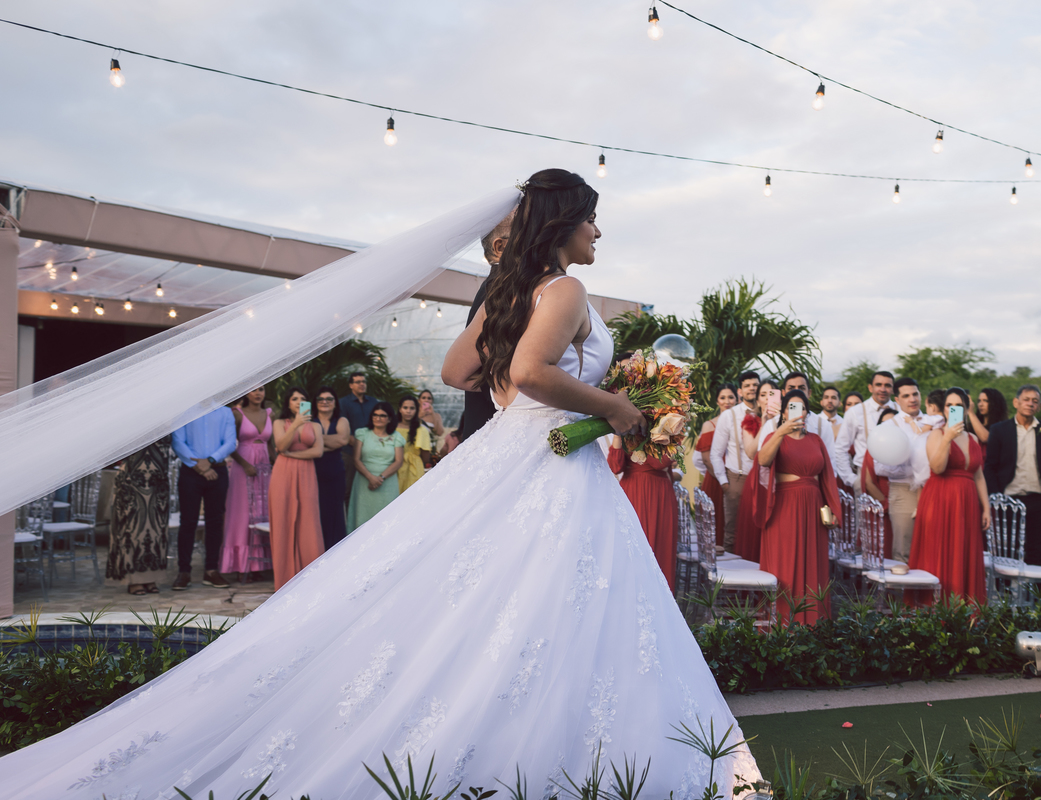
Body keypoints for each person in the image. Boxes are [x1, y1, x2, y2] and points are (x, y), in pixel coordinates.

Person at [0, 169, 757, 800]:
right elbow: (529, 372)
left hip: (516, 456)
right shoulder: (561, 291)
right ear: (564, 225)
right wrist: (616, 406)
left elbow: (463, 371)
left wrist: (541, 377)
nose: (599, 234)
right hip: (554, 464)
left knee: (481, 602)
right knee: (555, 603)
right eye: (592, 221)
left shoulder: (507, 290)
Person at [755, 389, 841, 624]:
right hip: (784, 507)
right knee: (785, 563)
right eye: (792, 407)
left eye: (802, 407)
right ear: (783, 412)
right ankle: (782, 624)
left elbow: (828, 477)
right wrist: (781, 432)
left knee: (814, 564)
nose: (798, 411)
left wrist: (832, 507)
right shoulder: (774, 437)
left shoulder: (817, 440)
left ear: (807, 412)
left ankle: (814, 623)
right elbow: (763, 460)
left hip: (813, 508)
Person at [909, 387, 990, 605]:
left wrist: (987, 508)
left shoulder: (972, 438)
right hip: (941, 499)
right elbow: (937, 467)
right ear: (943, 409)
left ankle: (964, 612)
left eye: (959, 406)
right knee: (939, 553)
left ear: (966, 409)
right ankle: (935, 611)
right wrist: (947, 439)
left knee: (963, 554)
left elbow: (979, 475)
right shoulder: (936, 434)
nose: (953, 409)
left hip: (967, 503)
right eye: (949, 406)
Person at [983, 384, 1041, 566]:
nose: (1030, 404)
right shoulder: (1000, 430)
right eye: (1026, 400)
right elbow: (990, 466)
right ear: (1016, 402)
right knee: (1007, 548)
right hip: (1009, 499)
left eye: (1035, 401)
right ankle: (1005, 593)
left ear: (1039, 407)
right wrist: (996, 495)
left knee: (1038, 548)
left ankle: (1036, 594)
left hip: (1040, 499)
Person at [457, 210, 514, 442]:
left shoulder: (499, 286)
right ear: (500, 247)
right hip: (493, 434)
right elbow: (459, 373)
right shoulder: (502, 291)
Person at [170, 405, 238, 591]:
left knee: (215, 521)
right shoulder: (185, 410)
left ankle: (211, 570)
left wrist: (210, 461)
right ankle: (184, 572)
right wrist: (199, 465)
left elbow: (230, 442)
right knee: (188, 521)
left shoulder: (225, 412)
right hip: (191, 472)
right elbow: (177, 441)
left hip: (217, 471)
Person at [873, 378, 937, 562]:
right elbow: (880, 467)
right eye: (906, 396)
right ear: (897, 400)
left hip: (933, 490)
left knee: (931, 545)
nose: (912, 399)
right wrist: (911, 465)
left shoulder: (933, 422)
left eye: (915, 394)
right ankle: (901, 590)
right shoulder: (888, 427)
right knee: (903, 547)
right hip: (904, 490)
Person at [269, 386, 325, 588]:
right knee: (283, 520)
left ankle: (312, 578)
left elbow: (318, 452)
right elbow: (280, 445)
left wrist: (292, 456)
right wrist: (295, 425)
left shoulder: (316, 426)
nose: (298, 401)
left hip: (306, 473)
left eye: (303, 398)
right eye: (294, 398)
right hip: (282, 474)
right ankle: (284, 579)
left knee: (309, 520)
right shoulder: (278, 423)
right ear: (288, 403)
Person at [105, 437, 172, 595]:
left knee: (157, 531)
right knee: (133, 530)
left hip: (158, 481)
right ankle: (133, 579)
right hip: (132, 480)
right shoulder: (131, 416)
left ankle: (151, 578)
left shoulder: (168, 417)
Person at [609, 438, 677, 591]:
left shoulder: (669, 420)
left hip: (660, 494)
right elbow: (615, 466)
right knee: (631, 551)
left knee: (660, 552)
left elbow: (659, 462)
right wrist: (618, 435)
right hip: (633, 492)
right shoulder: (624, 426)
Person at [220, 387, 273, 580]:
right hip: (243, 466)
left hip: (265, 467)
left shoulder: (269, 414)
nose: (258, 393)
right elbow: (227, 444)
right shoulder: (237, 414)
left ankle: (260, 564)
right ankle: (241, 565)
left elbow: (272, 445)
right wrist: (244, 464)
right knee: (242, 512)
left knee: (262, 511)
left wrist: (276, 467)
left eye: (261, 389)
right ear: (246, 393)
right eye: (253, 390)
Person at [709, 369, 760, 551]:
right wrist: (724, 483)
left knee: (760, 529)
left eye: (755, 385)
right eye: (747, 386)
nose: (752, 388)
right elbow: (716, 452)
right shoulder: (729, 416)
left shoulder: (769, 414)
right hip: (737, 479)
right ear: (740, 391)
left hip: (764, 479)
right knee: (733, 531)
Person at [735, 379, 777, 561]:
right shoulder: (750, 420)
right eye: (763, 395)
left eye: (772, 394)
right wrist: (766, 423)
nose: (768, 399)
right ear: (758, 400)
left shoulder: (786, 420)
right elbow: (751, 452)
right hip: (757, 480)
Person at [833, 371, 897, 490]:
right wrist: (851, 479)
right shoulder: (856, 412)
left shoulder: (901, 410)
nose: (883, 389)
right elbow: (840, 447)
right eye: (878, 385)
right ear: (870, 387)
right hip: (866, 476)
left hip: (897, 477)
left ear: (893, 389)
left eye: (887, 385)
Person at [347, 401, 403, 531]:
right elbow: (356, 459)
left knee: (386, 519)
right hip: (364, 482)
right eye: (375, 415)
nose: (378, 418)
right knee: (362, 518)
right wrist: (370, 477)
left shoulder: (396, 436)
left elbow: (399, 461)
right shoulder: (362, 433)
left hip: (387, 484)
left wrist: (380, 478)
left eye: (382, 415)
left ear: (389, 418)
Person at [693, 382, 737, 546]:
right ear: (717, 401)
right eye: (723, 397)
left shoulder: (742, 423)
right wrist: (724, 480)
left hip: (737, 481)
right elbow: (705, 459)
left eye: (731, 397)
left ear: (737, 398)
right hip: (716, 481)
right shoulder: (709, 425)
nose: (727, 401)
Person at [314, 385, 351, 550]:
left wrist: (317, 441)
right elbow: (304, 442)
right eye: (321, 399)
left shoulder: (342, 421)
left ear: (335, 402)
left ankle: (335, 550)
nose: (325, 402)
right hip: (313, 471)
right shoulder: (309, 420)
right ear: (315, 402)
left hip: (335, 472)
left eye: (329, 399)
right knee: (316, 510)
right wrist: (330, 442)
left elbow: (343, 440)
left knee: (335, 512)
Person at [861, 407, 899, 559]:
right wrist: (886, 505)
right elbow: (868, 483)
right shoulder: (873, 449)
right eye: (884, 424)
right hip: (880, 505)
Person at [339, 372, 378, 499]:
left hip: (372, 453)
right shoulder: (343, 403)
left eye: (364, 381)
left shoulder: (373, 402)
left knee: (369, 487)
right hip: (349, 453)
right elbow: (344, 430)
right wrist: (359, 446)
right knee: (348, 489)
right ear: (351, 385)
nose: (362, 384)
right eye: (358, 382)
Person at [395, 394, 434, 494]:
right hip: (394, 468)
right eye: (405, 407)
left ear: (417, 410)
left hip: (414, 469)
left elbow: (425, 455)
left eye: (412, 408)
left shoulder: (421, 430)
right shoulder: (392, 428)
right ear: (400, 409)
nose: (408, 411)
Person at [968, 387, 1007, 461]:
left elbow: (985, 438)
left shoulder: (1002, 426)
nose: (980, 404)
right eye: (979, 401)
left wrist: (971, 413)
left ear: (995, 403)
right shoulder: (972, 425)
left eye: (985, 401)